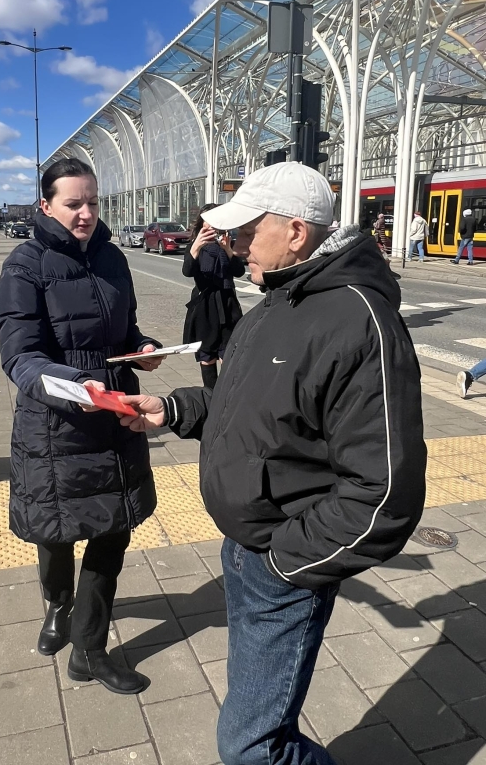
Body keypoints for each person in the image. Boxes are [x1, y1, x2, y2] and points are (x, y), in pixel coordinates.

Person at [114, 162, 426, 764]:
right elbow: (248, 407)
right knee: (259, 725)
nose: (234, 246)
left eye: (246, 232)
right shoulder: (276, 301)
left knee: (251, 748)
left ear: (296, 233)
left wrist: (285, 562)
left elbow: (385, 492)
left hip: (284, 561)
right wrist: (173, 409)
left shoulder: (359, 322)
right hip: (244, 548)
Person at [0, 157, 163, 695]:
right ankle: (57, 604)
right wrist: (75, 385)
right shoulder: (24, 265)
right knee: (56, 529)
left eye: (92, 202)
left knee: (113, 529)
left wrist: (143, 349)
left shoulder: (113, 258)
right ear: (46, 205)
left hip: (115, 414)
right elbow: (20, 356)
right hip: (55, 422)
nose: (86, 213)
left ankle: (89, 650)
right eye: (73, 204)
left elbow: (126, 329)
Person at [183, 203, 246, 389]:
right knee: (207, 356)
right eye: (208, 221)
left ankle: (228, 395)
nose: (212, 225)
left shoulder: (226, 243)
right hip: (205, 307)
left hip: (227, 305)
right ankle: (211, 397)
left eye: (216, 221)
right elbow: (187, 271)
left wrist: (228, 250)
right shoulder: (195, 246)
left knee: (229, 353)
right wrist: (196, 246)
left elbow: (239, 271)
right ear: (202, 223)